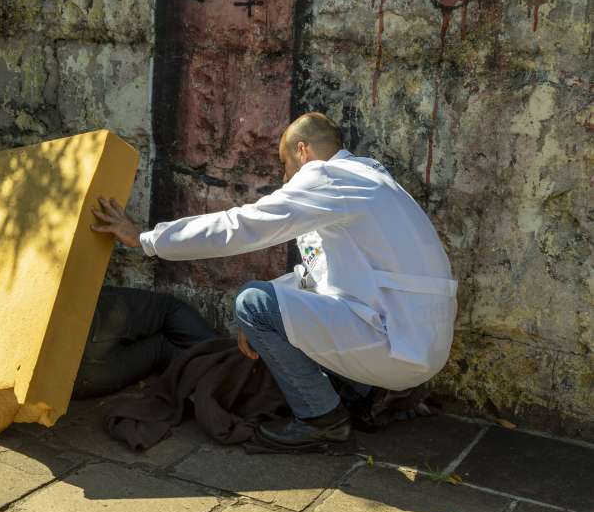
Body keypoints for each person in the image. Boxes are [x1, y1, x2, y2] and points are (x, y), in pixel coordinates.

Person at [90, 113, 458, 456]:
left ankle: (321, 422)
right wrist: (270, 317)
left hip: (396, 342)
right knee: (266, 308)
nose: (285, 179)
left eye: (284, 165)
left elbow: (243, 225)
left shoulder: (328, 176)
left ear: (303, 152)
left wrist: (146, 238)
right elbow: (320, 276)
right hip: (421, 347)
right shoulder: (375, 181)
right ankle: (375, 393)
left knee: (252, 302)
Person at [72, 286, 219, 399]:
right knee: (169, 308)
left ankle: (218, 378)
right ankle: (227, 366)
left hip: (79, 382)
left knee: (160, 346)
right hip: (81, 320)